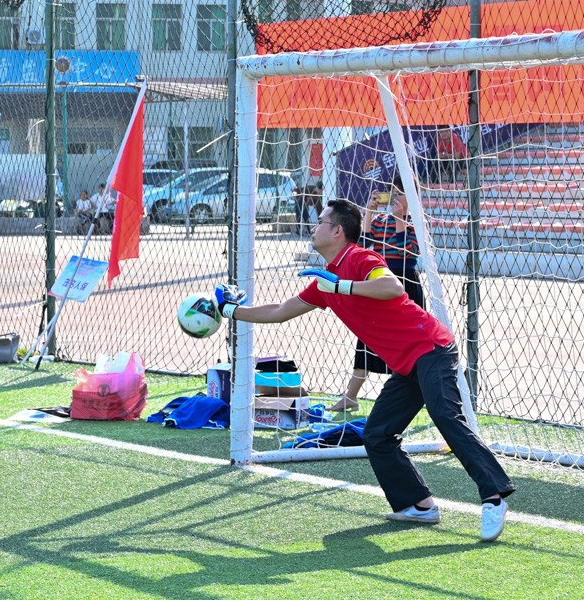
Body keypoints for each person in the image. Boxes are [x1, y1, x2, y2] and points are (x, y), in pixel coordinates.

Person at [213, 198, 515, 541]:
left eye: (321, 222)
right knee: (377, 434)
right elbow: (280, 311)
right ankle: (418, 504)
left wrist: (342, 286)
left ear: (337, 231)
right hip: (406, 364)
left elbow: (392, 287)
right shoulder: (324, 281)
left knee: (445, 415)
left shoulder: (360, 258)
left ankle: (494, 496)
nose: (314, 228)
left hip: (430, 347)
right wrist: (233, 311)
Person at [331, 176, 423, 412]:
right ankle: (350, 396)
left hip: (406, 283)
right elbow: (364, 244)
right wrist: (369, 212)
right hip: (378, 282)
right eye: (392, 193)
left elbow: (407, 251)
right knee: (367, 336)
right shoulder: (381, 220)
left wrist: (401, 218)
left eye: (400, 194)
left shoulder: (417, 222)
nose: (395, 198)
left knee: (410, 343)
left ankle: (408, 397)